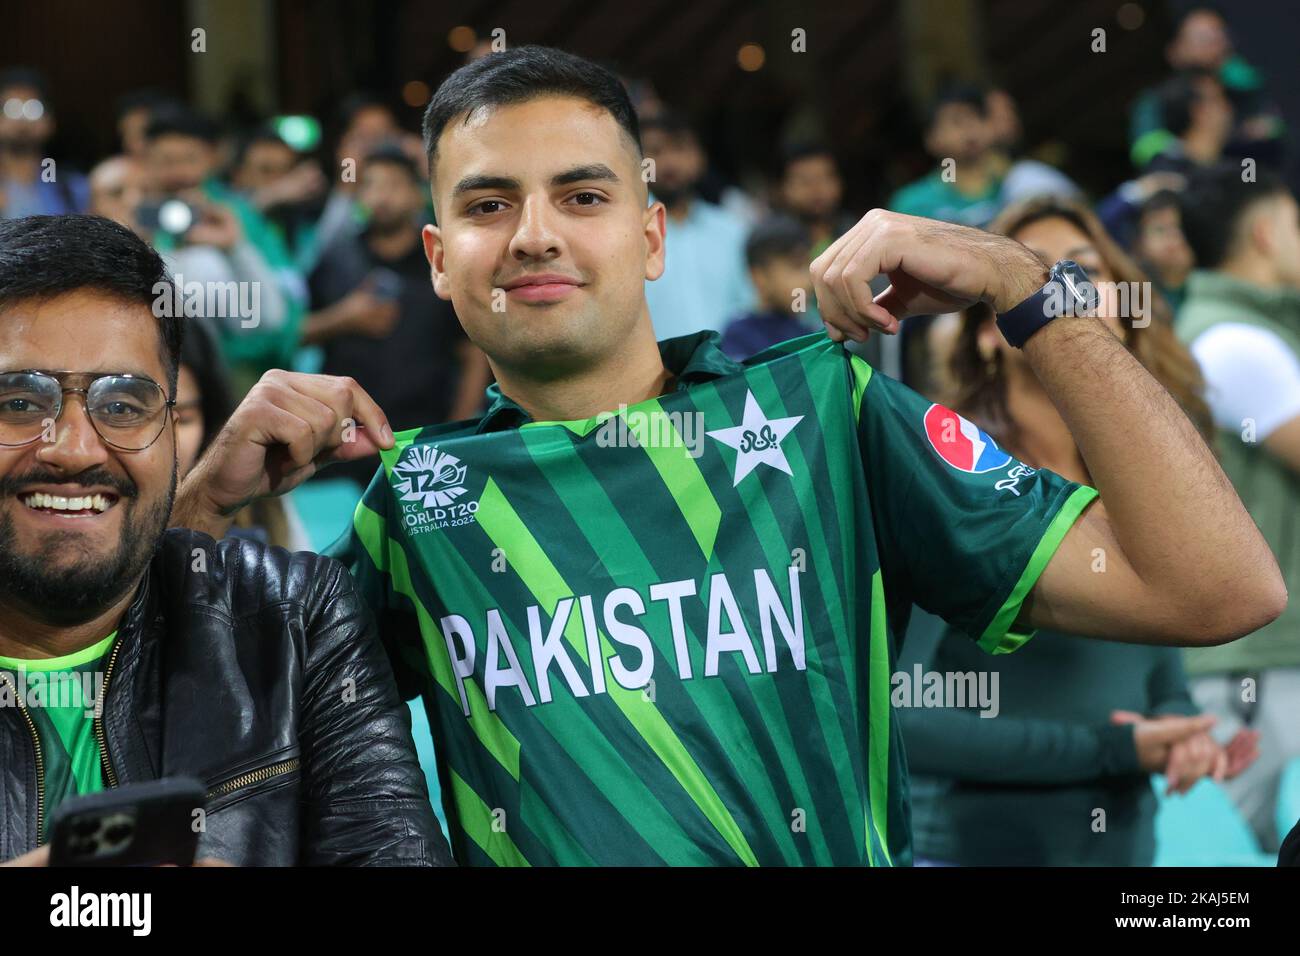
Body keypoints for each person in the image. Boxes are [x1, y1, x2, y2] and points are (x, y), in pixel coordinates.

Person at [171, 46, 1285, 867]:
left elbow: (1216, 583)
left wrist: (1021, 284)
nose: (535, 233)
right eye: (487, 204)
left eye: (583, 194)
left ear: (652, 234)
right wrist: (204, 509)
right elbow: (197, 765)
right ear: (437, 259)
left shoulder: (828, 412)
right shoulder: (412, 499)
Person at [0, 214, 447, 866]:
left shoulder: (293, 620)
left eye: (123, 405)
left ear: (176, 423)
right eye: (19, 401)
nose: (73, 448)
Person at [900, 196, 1258, 866]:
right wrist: (1112, 750)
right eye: (1036, 279)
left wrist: (1182, 734)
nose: (1068, 292)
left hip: (1126, 851)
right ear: (987, 333)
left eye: (1084, 273)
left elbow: (1162, 672)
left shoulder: (1148, 488)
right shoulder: (950, 475)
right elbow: (898, 718)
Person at [1175, 164, 1300, 853]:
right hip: (1256, 658)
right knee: (1240, 861)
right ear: (1262, 233)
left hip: (1268, 649)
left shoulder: (1254, 330)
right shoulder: (1236, 342)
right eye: (1297, 226)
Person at [304, 145, 490, 488]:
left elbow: (473, 353)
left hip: (426, 432)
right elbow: (297, 332)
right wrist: (343, 319)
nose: (381, 196)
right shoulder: (336, 260)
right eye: (371, 185)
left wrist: (458, 428)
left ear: (418, 196)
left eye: (394, 184)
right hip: (347, 440)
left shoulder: (444, 264)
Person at [140, 108, 301, 394]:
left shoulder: (235, 215)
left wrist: (234, 247)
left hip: (239, 379)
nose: (179, 172)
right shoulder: (136, 214)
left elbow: (282, 316)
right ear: (146, 161)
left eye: (189, 159)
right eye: (165, 160)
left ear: (212, 158)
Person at [640, 111, 755, 340]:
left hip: (727, 369)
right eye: (656, 151)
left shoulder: (732, 230)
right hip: (650, 373)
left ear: (699, 158)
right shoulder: (627, 229)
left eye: (680, 149)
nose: (670, 162)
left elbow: (748, 306)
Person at [888, 83, 1003, 228]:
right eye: (957, 121)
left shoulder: (1015, 183)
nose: (970, 127)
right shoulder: (913, 204)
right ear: (932, 139)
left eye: (976, 117)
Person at [719, 215, 819, 360]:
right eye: (796, 266)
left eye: (808, 266)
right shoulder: (738, 336)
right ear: (758, 276)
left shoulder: (809, 331)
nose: (808, 282)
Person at [0, 68, 88, 218]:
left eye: (33, 110)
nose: (21, 121)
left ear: (50, 122)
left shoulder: (73, 188)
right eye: (11, 109)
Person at [776, 143, 856, 257]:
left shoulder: (857, 231)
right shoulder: (771, 241)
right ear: (783, 188)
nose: (816, 189)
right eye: (804, 181)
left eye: (824, 178)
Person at [1132, 189, 1195, 314]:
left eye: (1179, 227)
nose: (1173, 238)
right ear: (1140, 242)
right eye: (1160, 230)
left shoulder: (1215, 281)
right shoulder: (1135, 296)